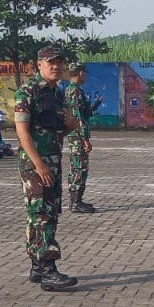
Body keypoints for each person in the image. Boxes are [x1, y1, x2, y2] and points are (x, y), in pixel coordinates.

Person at [14, 47, 79, 291]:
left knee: (46, 213)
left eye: (59, 63)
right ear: (38, 65)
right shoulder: (28, 92)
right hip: (36, 165)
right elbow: (22, 131)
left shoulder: (57, 94)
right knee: (41, 214)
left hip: (52, 160)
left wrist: (70, 127)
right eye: (50, 62)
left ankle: (36, 266)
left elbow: (55, 130)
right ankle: (48, 270)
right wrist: (39, 164)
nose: (56, 67)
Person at [64, 64, 96, 213]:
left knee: (78, 167)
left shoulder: (71, 90)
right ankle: (75, 202)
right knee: (79, 167)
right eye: (85, 73)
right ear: (80, 73)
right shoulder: (75, 91)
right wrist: (85, 139)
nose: (86, 76)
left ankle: (78, 200)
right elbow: (77, 117)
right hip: (77, 136)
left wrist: (93, 107)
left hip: (74, 134)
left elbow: (82, 113)